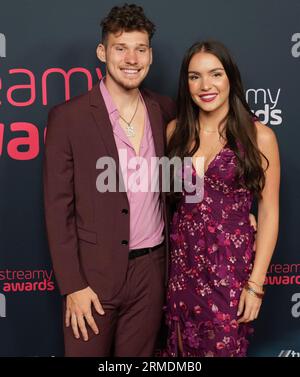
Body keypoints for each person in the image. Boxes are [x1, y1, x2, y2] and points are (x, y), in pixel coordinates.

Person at [43, 4, 175, 357]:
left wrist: (240, 210)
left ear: (150, 55)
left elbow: (215, 137)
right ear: (103, 52)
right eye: (121, 48)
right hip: (92, 275)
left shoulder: (165, 110)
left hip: (151, 272)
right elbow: (58, 211)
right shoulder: (68, 118)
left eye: (141, 49)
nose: (131, 58)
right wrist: (73, 285)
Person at [164, 40, 280, 357]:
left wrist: (255, 285)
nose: (206, 85)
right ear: (186, 83)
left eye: (215, 74)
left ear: (230, 77)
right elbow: (169, 200)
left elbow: (269, 212)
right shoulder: (175, 132)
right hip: (182, 270)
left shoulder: (260, 137)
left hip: (230, 271)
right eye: (194, 76)